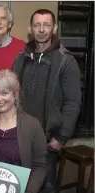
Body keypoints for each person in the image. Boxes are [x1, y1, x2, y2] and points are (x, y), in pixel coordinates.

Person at [12, 9, 82, 193]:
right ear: (30, 28)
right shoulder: (21, 58)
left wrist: (61, 137)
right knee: (18, 185)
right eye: (37, 25)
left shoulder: (66, 62)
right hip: (19, 136)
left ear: (54, 28)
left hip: (47, 140)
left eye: (46, 25)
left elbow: (72, 103)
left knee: (45, 187)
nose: (41, 29)